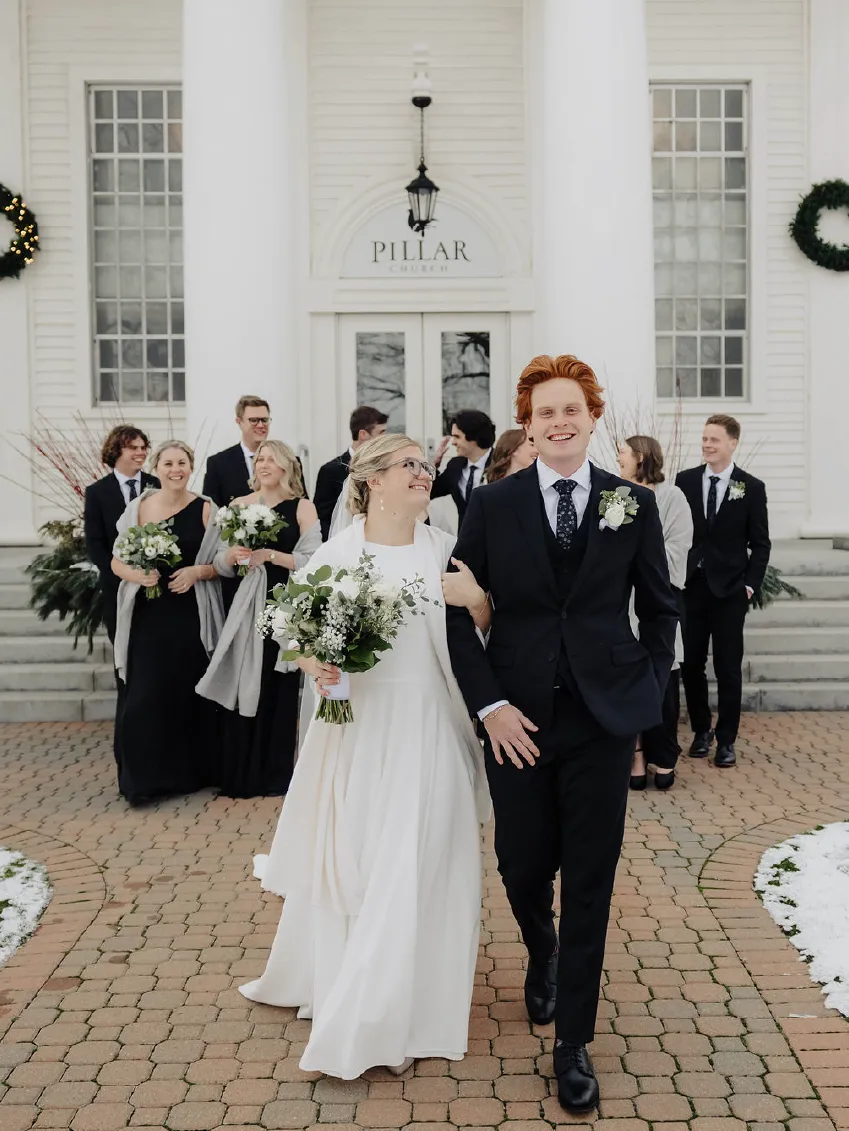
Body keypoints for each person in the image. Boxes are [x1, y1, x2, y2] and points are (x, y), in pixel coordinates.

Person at [446, 355, 677, 1113]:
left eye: (570, 409)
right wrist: (489, 707)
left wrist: (641, 684)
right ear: (528, 421)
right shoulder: (492, 503)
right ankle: (539, 953)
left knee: (589, 877)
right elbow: (456, 612)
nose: (558, 421)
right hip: (515, 716)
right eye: (544, 411)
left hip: (602, 719)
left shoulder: (629, 504)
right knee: (519, 865)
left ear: (590, 415)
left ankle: (571, 1040)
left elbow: (659, 605)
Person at [239, 433, 491, 1080]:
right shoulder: (339, 551)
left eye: (424, 464)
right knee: (368, 866)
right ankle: (367, 1000)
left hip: (431, 723)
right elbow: (298, 635)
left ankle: (401, 1006)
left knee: (424, 861)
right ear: (372, 479)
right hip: (358, 730)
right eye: (408, 464)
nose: (422, 472)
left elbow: (481, 629)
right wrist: (316, 663)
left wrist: (479, 603)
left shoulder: (444, 548)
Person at [198, 441, 321, 798]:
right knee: (243, 678)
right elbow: (218, 561)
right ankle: (240, 772)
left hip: (283, 605)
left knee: (277, 682)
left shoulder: (303, 507)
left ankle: (274, 774)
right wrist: (233, 557)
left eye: (271, 459)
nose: (264, 464)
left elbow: (314, 559)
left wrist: (272, 555)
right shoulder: (238, 506)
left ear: (286, 466)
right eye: (260, 459)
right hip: (245, 606)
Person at [111, 440, 224, 806]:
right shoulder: (140, 507)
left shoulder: (207, 509)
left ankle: (185, 775)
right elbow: (116, 560)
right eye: (168, 463)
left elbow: (223, 564)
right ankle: (141, 782)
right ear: (156, 468)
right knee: (144, 696)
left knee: (184, 693)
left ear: (191, 467)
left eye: (183, 463)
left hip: (190, 614)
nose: (176, 469)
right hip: (148, 614)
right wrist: (136, 574)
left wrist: (197, 571)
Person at [676, 414, 770, 768]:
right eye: (704, 438)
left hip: (731, 590)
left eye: (714, 439)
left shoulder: (751, 487)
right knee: (692, 664)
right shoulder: (684, 481)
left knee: (728, 667)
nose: (707, 444)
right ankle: (702, 731)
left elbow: (761, 544)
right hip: (693, 587)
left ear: (732, 443)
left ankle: (727, 739)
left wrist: (749, 585)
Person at [617, 436, 693, 790]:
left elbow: (679, 548)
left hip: (656, 599)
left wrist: (639, 554)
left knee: (662, 680)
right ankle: (635, 755)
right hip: (619, 603)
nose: (618, 458)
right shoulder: (614, 495)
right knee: (628, 680)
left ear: (641, 457)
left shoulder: (672, 497)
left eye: (624, 453)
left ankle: (663, 755)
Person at [83, 426, 159, 644]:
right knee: (122, 646)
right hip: (115, 584)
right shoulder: (97, 492)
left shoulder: (157, 485)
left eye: (143, 447)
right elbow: (95, 543)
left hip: (153, 581)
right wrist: (123, 571)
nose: (141, 452)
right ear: (116, 450)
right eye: (133, 447)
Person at [313, 406, 388, 540]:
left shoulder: (386, 467)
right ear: (363, 434)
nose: (385, 437)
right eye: (381, 432)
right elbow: (322, 519)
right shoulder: (330, 471)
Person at [202, 396, 272, 507]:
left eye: (264, 420)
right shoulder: (218, 463)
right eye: (253, 420)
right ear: (239, 422)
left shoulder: (288, 461)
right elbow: (211, 511)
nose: (260, 425)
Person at [430, 409, 496, 524]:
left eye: (457, 437)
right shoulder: (455, 466)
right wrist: (432, 466)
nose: (453, 442)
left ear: (474, 437)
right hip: (465, 537)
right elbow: (430, 492)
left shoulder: (502, 463)